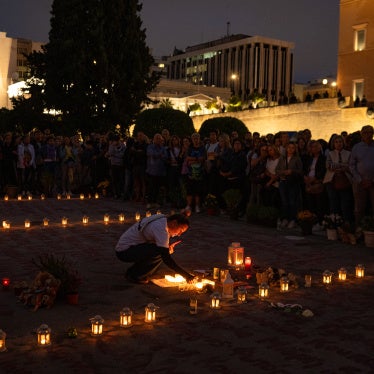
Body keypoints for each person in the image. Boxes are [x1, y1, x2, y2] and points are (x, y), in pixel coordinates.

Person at [115, 213, 196, 284]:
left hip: (131, 248)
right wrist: (186, 276)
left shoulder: (162, 219)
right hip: (124, 251)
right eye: (180, 230)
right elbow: (166, 259)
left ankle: (132, 272)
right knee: (159, 252)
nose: (179, 234)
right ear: (174, 223)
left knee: (160, 250)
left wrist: (166, 249)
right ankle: (136, 276)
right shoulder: (161, 229)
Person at [349, 125, 374, 226]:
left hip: (373, 182)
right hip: (360, 183)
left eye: (371, 132)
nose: (368, 135)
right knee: (359, 208)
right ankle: (359, 229)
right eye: (366, 133)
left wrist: (372, 180)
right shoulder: (356, 147)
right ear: (362, 134)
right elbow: (351, 165)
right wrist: (360, 179)